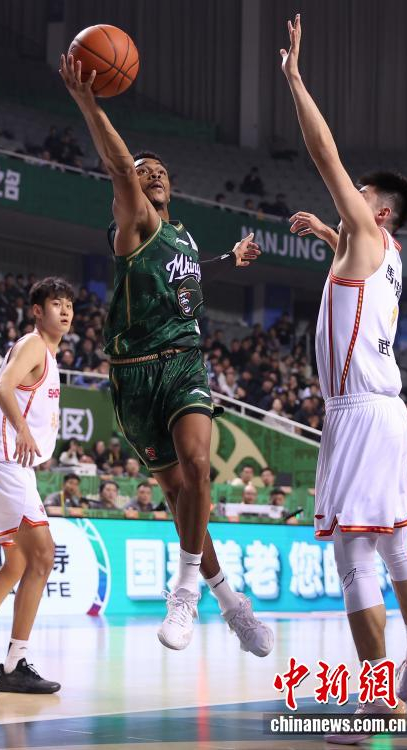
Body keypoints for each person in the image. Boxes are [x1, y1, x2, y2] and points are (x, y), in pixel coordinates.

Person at [60, 53, 273, 657]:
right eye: (143, 169)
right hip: (133, 376)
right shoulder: (133, 225)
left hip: (183, 362)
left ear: (172, 187)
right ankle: (231, 604)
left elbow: (189, 276)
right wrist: (89, 103)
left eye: (160, 171)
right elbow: (119, 168)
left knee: (199, 467)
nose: (151, 173)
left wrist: (231, 260)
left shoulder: (183, 236)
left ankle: (184, 593)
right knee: (180, 497)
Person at [282, 15, 407, 738]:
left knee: (354, 556)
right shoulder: (388, 254)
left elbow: (323, 152)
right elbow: (353, 279)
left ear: (377, 210)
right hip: (386, 411)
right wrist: (327, 234)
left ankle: (380, 699)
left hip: (358, 411)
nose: (348, 191)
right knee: (391, 542)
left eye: (359, 192)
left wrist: (294, 78)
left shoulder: (370, 231)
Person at [0, 277, 74, 692]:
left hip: (11, 465)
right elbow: (1, 387)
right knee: (43, 556)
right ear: (37, 311)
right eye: (56, 303)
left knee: (16, 564)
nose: (64, 311)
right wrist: (23, 431)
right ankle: (15, 664)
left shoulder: (49, 355)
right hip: (5, 462)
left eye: (68, 305)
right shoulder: (33, 345)